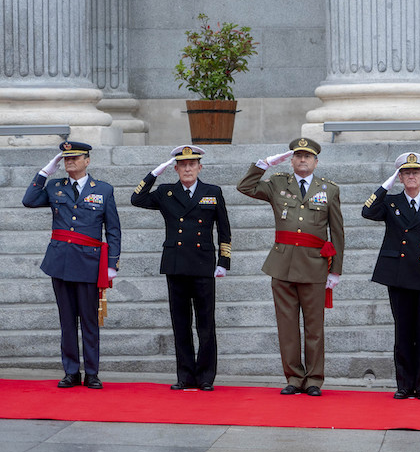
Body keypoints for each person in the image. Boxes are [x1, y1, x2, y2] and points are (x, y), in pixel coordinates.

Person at [238, 138, 344, 396]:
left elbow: (337, 232)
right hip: (282, 264)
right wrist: (263, 165)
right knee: (286, 326)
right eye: (298, 156)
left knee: (314, 327)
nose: (303, 160)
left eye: (308, 156)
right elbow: (245, 187)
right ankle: (294, 378)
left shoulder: (329, 189)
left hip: (314, 266)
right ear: (291, 160)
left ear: (316, 161)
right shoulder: (277, 184)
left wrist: (336, 270)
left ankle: (314, 379)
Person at [130, 145, 232, 391]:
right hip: (176, 265)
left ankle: (206, 376)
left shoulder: (212, 192)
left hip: (203, 264)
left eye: (192, 164)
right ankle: (185, 375)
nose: (188, 168)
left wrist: (223, 261)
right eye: (182, 165)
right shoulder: (166, 192)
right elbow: (137, 199)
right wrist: (154, 173)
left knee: (206, 324)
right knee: (181, 323)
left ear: (200, 167)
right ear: (175, 168)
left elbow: (224, 229)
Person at [22, 141, 120, 390]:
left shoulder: (104, 190)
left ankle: (92, 373)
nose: (69, 162)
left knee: (89, 320)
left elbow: (113, 230)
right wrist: (46, 171)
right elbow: (29, 200)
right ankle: (71, 371)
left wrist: (112, 264)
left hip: (88, 263)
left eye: (74, 158)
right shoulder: (55, 186)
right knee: (67, 320)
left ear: (87, 161)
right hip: (61, 262)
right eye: (65, 159)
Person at [362, 152, 420, 401]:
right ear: (399, 177)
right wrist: (384, 186)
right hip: (398, 275)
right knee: (403, 332)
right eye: (406, 173)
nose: (411, 176)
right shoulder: (390, 203)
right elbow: (367, 212)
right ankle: (403, 385)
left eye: (416, 172)